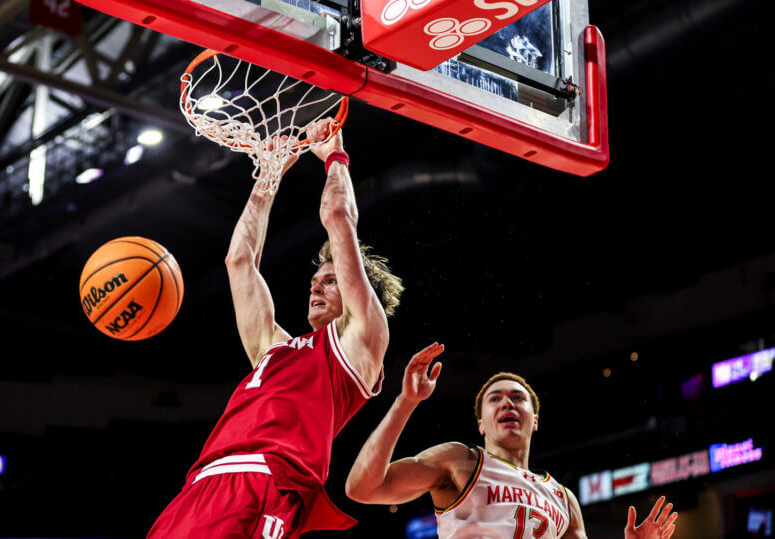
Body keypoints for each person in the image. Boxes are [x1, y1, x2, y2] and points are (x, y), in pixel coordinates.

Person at [146, 120, 404, 538]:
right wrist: (268, 176)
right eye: (313, 282)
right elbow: (239, 262)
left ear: (361, 292)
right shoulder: (275, 347)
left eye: (331, 280)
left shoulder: (361, 340)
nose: (316, 286)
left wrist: (334, 156)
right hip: (199, 486)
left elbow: (338, 217)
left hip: (267, 483)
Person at [346, 343, 679, 539]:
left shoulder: (564, 499)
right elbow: (362, 488)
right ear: (481, 424)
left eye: (517, 398)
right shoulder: (460, 461)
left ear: (535, 420)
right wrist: (407, 401)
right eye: (495, 399)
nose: (507, 403)